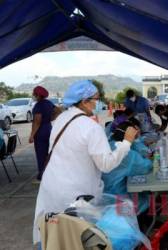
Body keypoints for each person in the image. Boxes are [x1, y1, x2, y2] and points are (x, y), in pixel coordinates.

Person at [33, 80, 137, 244]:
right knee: (77, 239)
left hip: (51, 187)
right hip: (75, 193)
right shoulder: (91, 127)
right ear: (84, 101)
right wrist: (127, 143)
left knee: (53, 236)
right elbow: (106, 164)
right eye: (96, 98)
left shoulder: (61, 119)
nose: (99, 102)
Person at [102, 121, 152, 214]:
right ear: (129, 136)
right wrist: (137, 141)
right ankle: (144, 224)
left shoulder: (109, 144)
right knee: (148, 198)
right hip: (118, 197)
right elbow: (146, 166)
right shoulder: (127, 154)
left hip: (104, 194)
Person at [29, 86, 57, 183]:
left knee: (41, 154)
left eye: (34, 93)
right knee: (49, 153)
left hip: (40, 132)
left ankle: (42, 176)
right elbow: (58, 111)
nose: (33, 95)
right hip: (49, 128)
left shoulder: (38, 106)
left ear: (37, 95)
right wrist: (49, 119)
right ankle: (51, 174)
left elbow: (37, 122)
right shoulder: (49, 103)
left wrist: (32, 135)